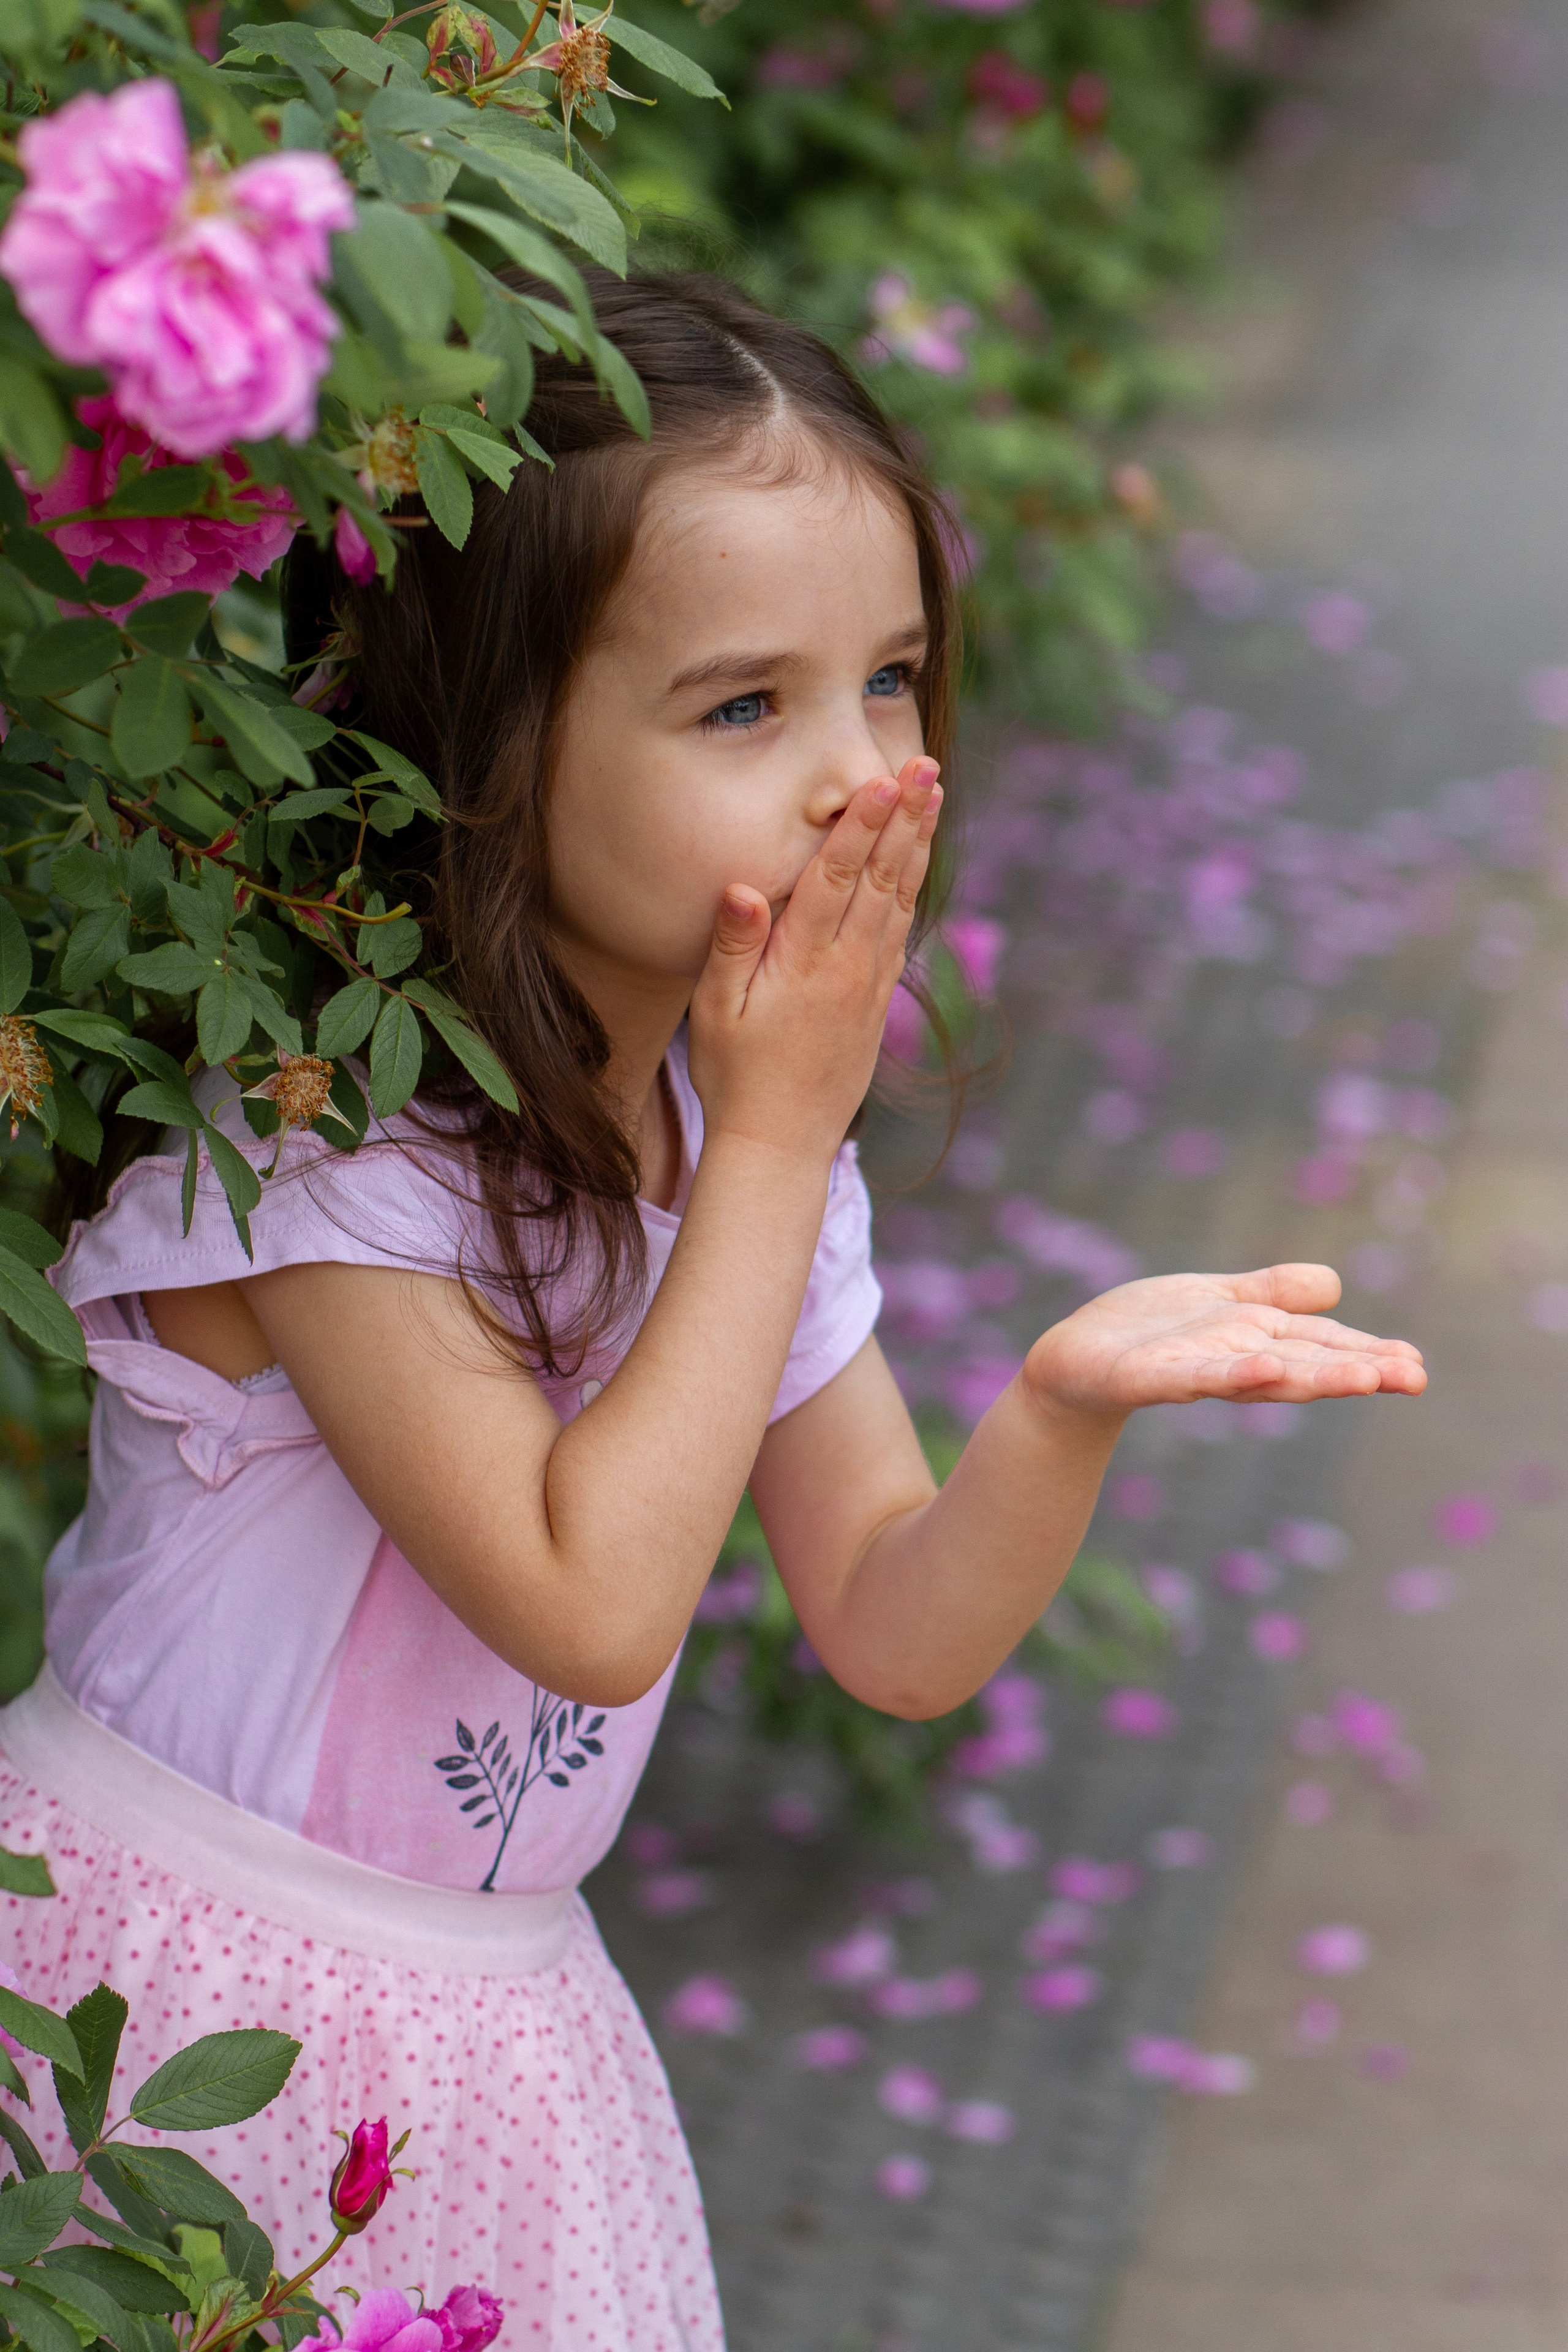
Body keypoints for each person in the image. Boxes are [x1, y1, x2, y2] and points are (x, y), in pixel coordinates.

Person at [0, 272, 1426, 2349]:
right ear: (492, 743)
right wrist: (771, 1140)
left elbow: (894, 1628)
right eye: (744, 707)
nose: (861, 776)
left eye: (893, 681)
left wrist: (1054, 1411)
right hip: (161, 2020)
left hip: (493, 2038)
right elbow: (589, 1605)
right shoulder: (328, 1155)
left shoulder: (737, 1141)